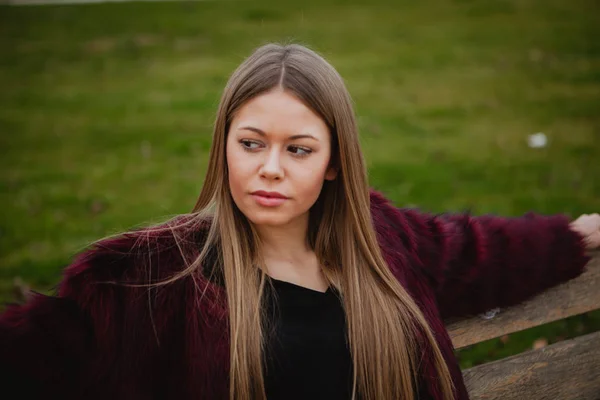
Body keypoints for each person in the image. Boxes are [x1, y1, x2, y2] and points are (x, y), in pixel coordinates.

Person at [1, 43, 599, 400]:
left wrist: (573, 238)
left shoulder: (382, 244)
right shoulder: (151, 281)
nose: (270, 169)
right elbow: (40, 348)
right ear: (223, 146)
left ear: (336, 161)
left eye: (298, 149)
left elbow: (477, 251)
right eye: (252, 143)